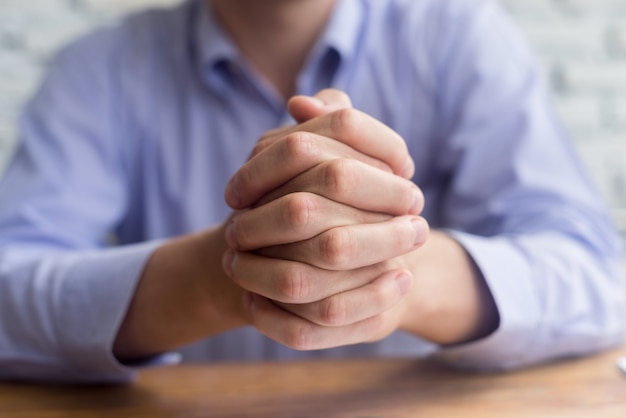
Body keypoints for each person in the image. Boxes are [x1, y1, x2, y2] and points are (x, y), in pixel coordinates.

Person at [0, 0, 623, 384]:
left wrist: (389, 273)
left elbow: (601, 277)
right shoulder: (100, 68)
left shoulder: (458, 36)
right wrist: (224, 274)